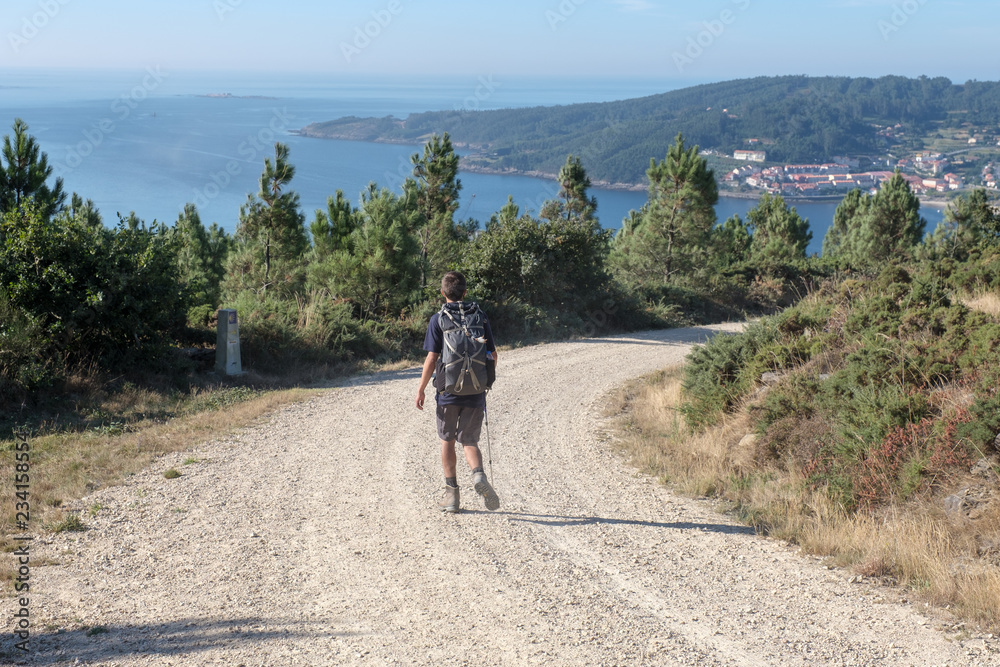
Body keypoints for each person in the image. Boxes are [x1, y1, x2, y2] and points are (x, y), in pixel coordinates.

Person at [416, 271, 500, 513]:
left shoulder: (438, 319)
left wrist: (421, 390)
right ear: (465, 292)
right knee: (469, 440)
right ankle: (478, 476)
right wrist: (483, 383)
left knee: (447, 440)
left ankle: (451, 495)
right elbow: (493, 355)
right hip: (475, 392)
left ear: (443, 293)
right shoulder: (480, 317)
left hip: (447, 392)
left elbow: (432, 358)